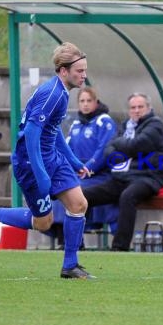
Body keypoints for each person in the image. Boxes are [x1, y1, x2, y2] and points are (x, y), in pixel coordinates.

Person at [0, 42, 95, 279]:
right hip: (30, 163)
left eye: (85, 70)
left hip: (51, 159)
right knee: (43, 223)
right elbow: (32, 136)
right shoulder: (53, 94)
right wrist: (41, 174)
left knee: (79, 204)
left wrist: (74, 160)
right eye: (80, 71)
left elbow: (53, 131)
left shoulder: (61, 93)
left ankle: (70, 266)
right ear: (64, 70)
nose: (84, 75)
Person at [82, 92, 163, 251]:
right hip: (122, 178)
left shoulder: (155, 125)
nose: (136, 110)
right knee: (84, 195)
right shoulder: (125, 126)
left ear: (149, 108)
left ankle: (119, 247)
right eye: (133, 107)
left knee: (127, 196)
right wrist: (125, 149)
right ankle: (75, 243)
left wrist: (120, 145)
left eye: (140, 107)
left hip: (148, 177)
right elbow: (108, 151)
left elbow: (137, 145)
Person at [49, 86, 118, 248]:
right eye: (82, 101)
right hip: (79, 174)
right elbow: (67, 150)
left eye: (89, 101)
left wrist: (86, 169)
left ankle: (72, 241)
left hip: (99, 176)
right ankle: (65, 238)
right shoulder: (76, 124)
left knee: (71, 191)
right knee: (58, 187)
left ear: (96, 102)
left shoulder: (104, 122)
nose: (85, 104)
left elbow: (104, 150)